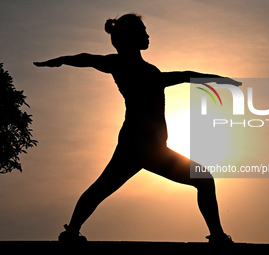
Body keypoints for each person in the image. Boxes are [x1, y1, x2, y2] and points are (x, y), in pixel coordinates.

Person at [34, 13, 241, 244]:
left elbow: (183, 76)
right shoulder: (120, 64)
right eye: (143, 31)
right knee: (202, 179)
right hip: (140, 144)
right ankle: (218, 237)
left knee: (101, 188)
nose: (148, 35)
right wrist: (62, 59)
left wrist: (217, 79)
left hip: (147, 146)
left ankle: (71, 232)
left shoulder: (151, 71)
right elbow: (88, 58)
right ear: (130, 37)